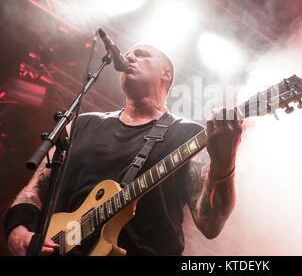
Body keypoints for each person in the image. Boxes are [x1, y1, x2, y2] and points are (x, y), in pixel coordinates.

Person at [4, 43, 243, 255]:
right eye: (128, 54)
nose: (130, 58)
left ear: (166, 74)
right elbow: (35, 189)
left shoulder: (188, 135)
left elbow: (210, 224)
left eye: (141, 54)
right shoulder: (81, 124)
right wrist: (17, 230)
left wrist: (225, 162)